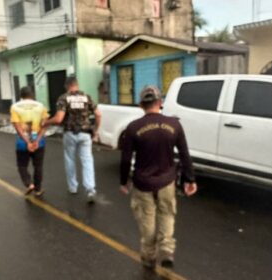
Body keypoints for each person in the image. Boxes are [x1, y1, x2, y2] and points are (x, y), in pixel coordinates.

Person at [120, 86, 197, 269]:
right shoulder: (175, 125)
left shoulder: (133, 128)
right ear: (160, 103)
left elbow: (125, 159)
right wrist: (190, 179)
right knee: (167, 214)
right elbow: (185, 154)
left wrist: (124, 181)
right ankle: (167, 249)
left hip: (142, 183)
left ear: (141, 105)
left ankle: (149, 257)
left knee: (147, 220)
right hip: (167, 182)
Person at [44, 76, 101, 203]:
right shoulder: (87, 97)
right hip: (86, 134)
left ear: (67, 86)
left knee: (70, 160)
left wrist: (46, 122)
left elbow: (58, 119)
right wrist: (96, 130)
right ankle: (90, 189)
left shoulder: (64, 98)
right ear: (77, 85)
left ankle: (73, 187)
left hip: (70, 133)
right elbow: (98, 114)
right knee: (87, 160)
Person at [11, 86, 49, 197]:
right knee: (38, 166)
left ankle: (29, 184)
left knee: (22, 166)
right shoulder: (41, 106)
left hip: (22, 143)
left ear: (21, 96)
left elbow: (17, 127)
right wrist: (37, 140)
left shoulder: (15, 107)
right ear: (32, 94)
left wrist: (27, 142)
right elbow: (45, 125)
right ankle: (38, 189)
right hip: (39, 142)